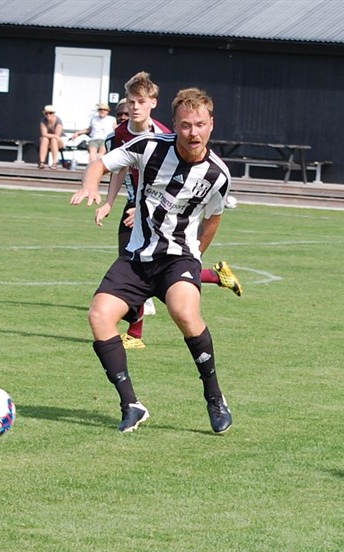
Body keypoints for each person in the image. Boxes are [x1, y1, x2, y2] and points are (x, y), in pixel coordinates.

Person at [70, 87, 234, 434]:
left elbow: (213, 218)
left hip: (178, 258)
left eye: (200, 125)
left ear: (211, 124)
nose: (193, 132)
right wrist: (91, 185)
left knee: (184, 313)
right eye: (185, 125)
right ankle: (131, 405)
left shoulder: (217, 175)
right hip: (137, 257)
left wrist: (195, 257)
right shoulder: (149, 146)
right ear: (174, 125)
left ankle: (214, 397)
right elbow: (100, 163)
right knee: (99, 316)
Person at [73, 72, 242, 351]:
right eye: (130, 102)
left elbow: (180, 184)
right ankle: (212, 277)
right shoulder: (118, 135)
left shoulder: (166, 137)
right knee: (137, 264)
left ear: (153, 103)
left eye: (140, 101)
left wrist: (151, 212)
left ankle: (135, 333)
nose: (134, 108)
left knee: (151, 264)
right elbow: (118, 169)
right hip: (136, 203)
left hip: (158, 208)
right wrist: (109, 202)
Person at [38, 105, 64, 169]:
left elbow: (57, 135)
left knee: (53, 140)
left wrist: (50, 135)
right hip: (48, 140)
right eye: (46, 113)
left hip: (59, 141)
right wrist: (51, 136)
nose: (48, 115)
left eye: (50, 113)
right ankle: (42, 162)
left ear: (54, 114)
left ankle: (54, 163)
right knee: (44, 139)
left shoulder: (58, 121)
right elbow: (44, 134)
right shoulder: (43, 121)